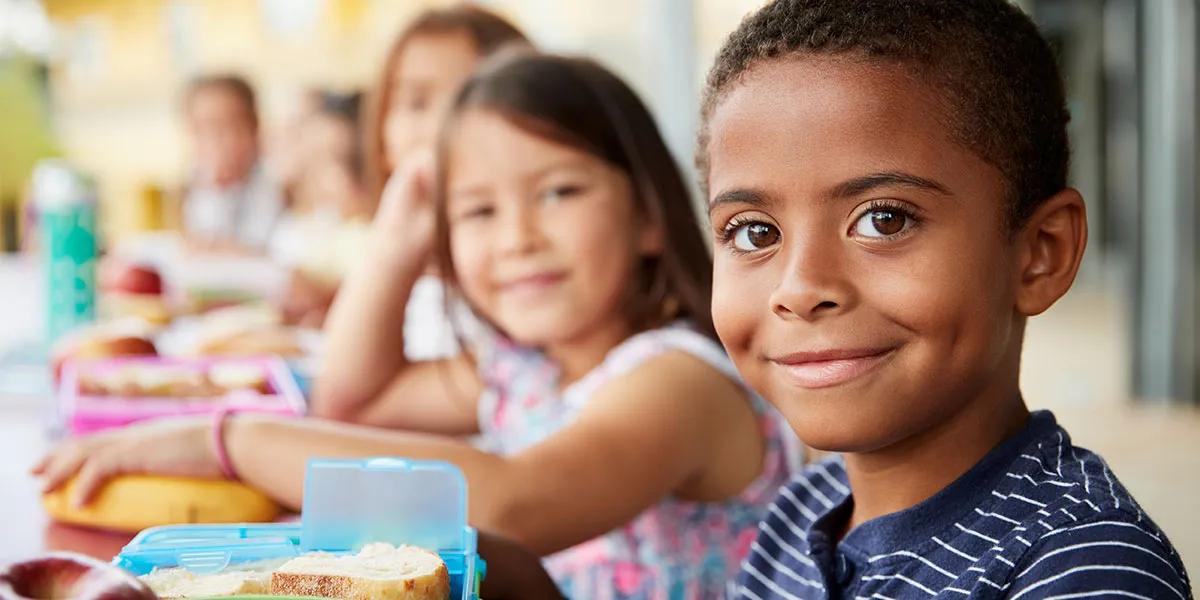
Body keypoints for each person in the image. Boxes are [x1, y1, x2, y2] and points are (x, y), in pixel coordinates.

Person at [464, 0, 1195, 598]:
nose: (801, 287)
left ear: (1041, 253)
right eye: (752, 232)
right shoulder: (805, 510)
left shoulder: (1084, 571)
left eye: (885, 219)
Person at [35, 51, 793, 599]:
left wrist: (224, 439)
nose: (517, 237)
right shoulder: (524, 368)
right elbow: (353, 401)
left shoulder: (681, 379)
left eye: (558, 192)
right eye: (478, 210)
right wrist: (396, 237)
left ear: (651, 216)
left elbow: (511, 504)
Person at [318, 4, 531, 370]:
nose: (439, 127)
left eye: (470, 96)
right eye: (416, 103)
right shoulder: (409, 271)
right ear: (382, 138)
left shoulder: (522, 265)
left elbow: (346, 401)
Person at [178, 74, 284, 255]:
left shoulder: (278, 177)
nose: (215, 139)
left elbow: (264, 249)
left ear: (254, 126)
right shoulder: (197, 181)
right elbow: (197, 243)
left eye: (225, 126)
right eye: (202, 128)